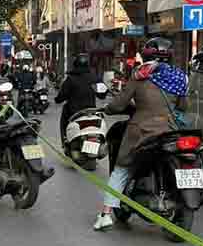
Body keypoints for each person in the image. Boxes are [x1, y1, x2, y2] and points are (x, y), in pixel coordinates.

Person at [92, 37, 189, 231]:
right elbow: (184, 106)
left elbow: (120, 103)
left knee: (122, 168)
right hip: (170, 130)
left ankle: (106, 214)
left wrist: (108, 109)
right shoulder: (180, 77)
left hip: (142, 131)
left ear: (146, 54)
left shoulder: (141, 74)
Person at [54, 53, 100, 147]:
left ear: (75, 64)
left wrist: (57, 99)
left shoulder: (70, 79)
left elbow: (61, 96)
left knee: (64, 118)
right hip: (91, 112)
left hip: (73, 112)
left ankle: (65, 140)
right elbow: (102, 94)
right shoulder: (94, 78)